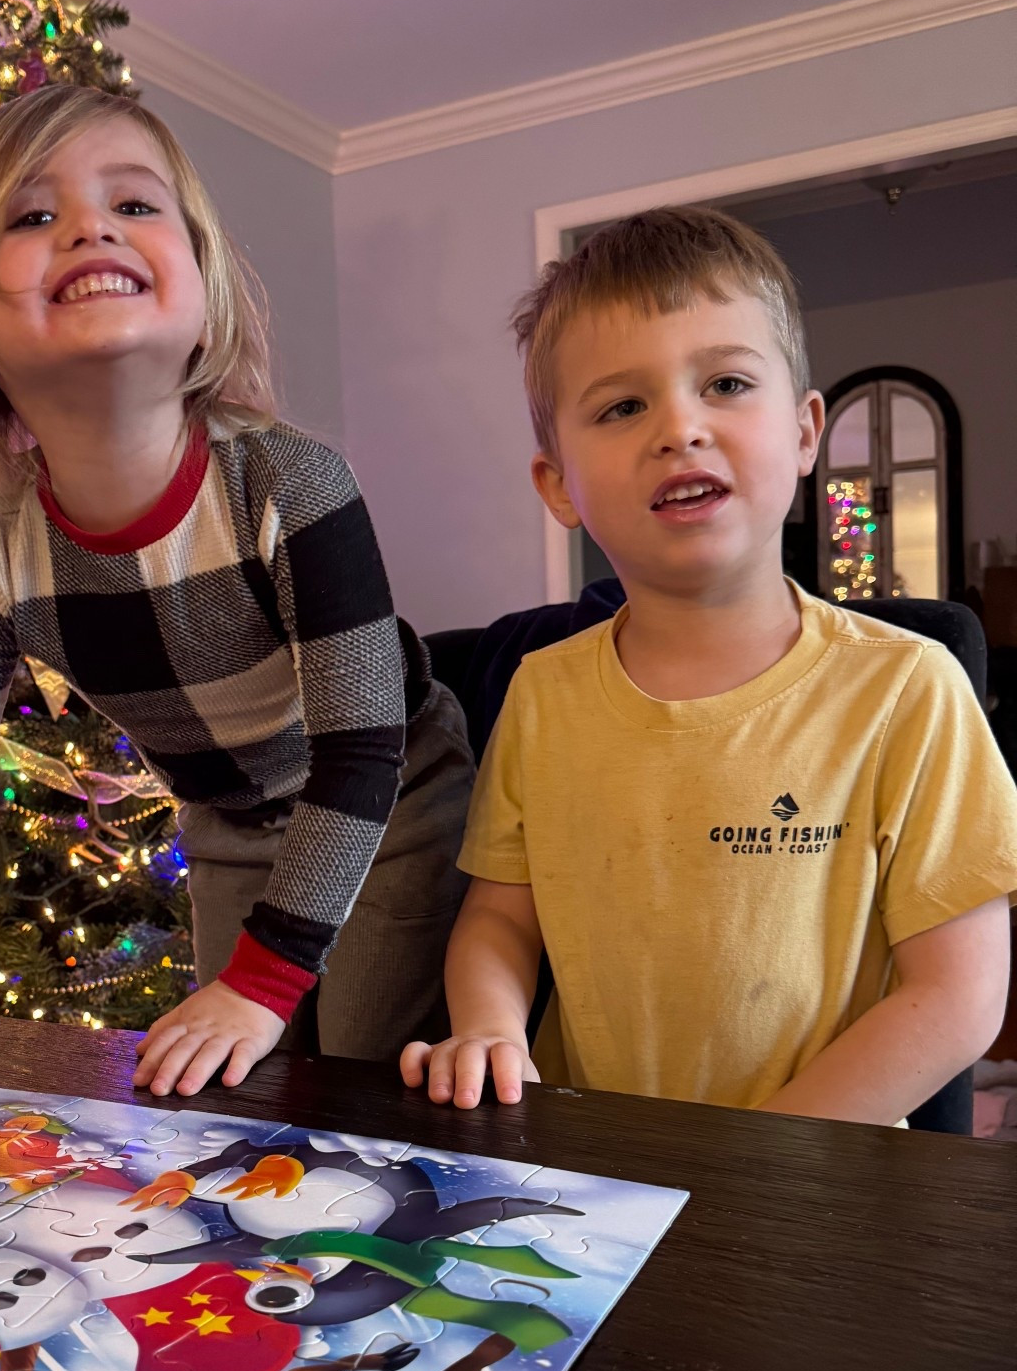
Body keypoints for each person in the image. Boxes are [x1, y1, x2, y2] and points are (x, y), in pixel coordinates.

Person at [0, 84, 472, 1094]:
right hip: (227, 826)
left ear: (205, 299)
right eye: (31, 216)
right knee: (233, 1085)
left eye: (134, 204)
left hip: (392, 801)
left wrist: (261, 981)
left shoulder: (291, 484)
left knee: (361, 1071)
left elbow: (362, 749)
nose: (90, 226)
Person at [402, 206, 1017, 1122]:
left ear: (805, 432)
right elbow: (501, 914)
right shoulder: (542, 692)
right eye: (622, 406)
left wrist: (754, 1166)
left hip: (816, 1176)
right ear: (559, 486)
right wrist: (489, 1027)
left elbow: (959, 998)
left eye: (726, 383)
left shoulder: (909, 690)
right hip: (599, 1168)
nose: (679, 428)